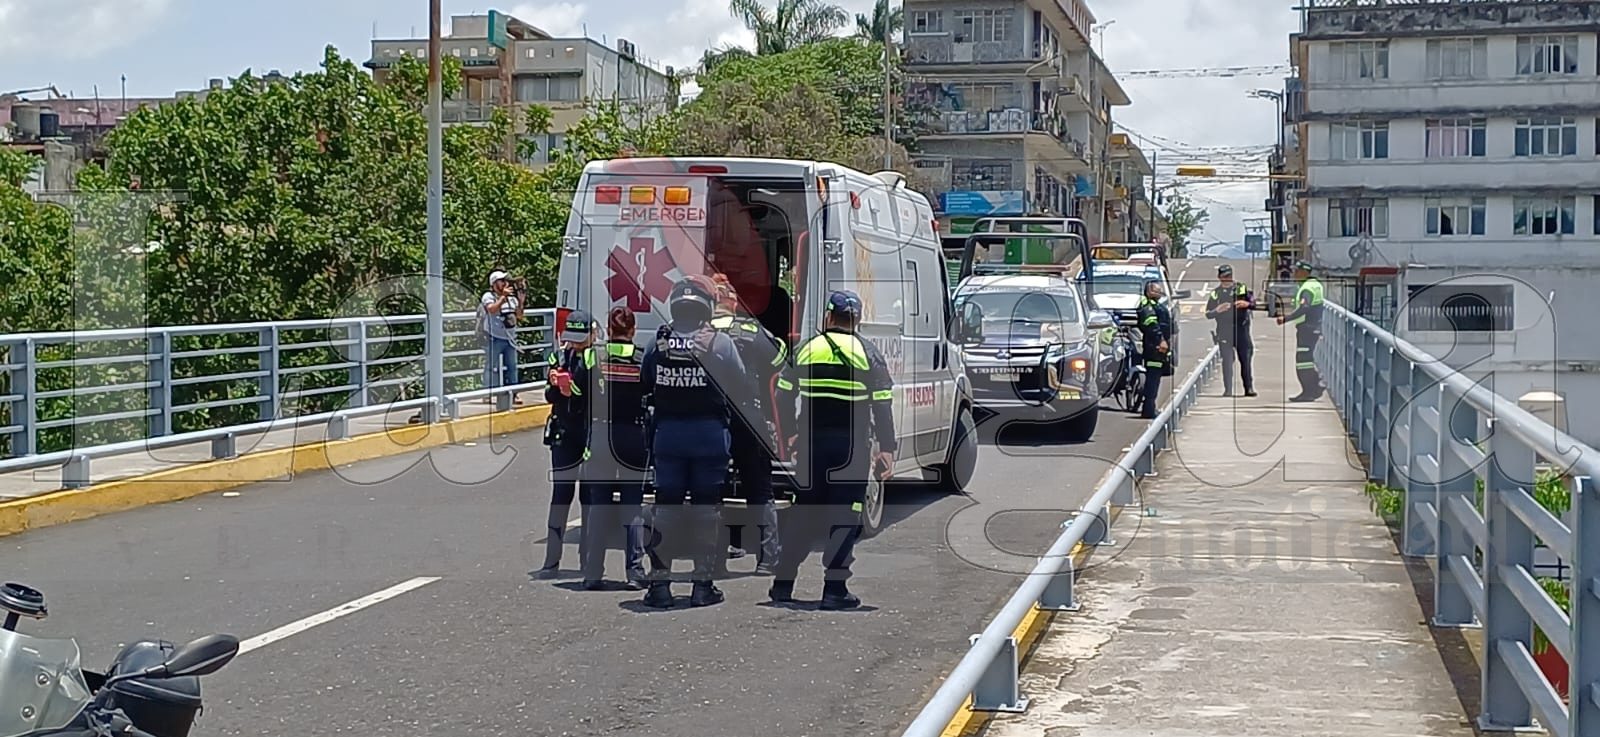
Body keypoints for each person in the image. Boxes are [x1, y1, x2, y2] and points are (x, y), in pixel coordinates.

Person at [768, 290, 896, 610]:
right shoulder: (870, 354)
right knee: (845, 516)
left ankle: (782, 585)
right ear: (858, 319)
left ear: (828, 317)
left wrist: (793, 434)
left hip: (811, 446)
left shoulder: (806, 350)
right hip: (851, 450)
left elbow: (783, 395)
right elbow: (883, 407)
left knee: (802, 514)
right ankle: (834, 589)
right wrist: (887, 449)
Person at [639, 277, 755, 608]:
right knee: (707, 512)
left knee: (665, 512)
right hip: (708, 437)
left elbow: (646, 381)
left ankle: (659, 587)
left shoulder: (657, 343)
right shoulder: (720, 344)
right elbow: (740, 385)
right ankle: (702, 586)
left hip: (669, 438)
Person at [708, 274, 787, 574]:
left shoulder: (700, 332)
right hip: (750, 417)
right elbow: (779, 358)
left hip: (714, 418)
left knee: (715, 489)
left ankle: (719, 556)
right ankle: (768, 558)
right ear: (731, 300)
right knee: (759, 488)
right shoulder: (751, 329)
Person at [578, 307, 651, 591]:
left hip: (600, 433)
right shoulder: (642, 358)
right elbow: (650, 391)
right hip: (632, 434)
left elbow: (578, 391)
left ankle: (593, 572)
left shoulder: (592, 355)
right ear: (632, 331)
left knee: (599, 505)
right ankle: (634, 572)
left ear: (608, 329)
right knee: (632, 505)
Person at [536, 310, 597, 578]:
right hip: (564, 432)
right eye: (572, 338)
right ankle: (551, 560)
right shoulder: (559, 356)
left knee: (588, 497)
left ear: (593, 335)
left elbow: (596, 395)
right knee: (561, 496)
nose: (576, 343)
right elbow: (549, 396)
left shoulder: (597, 358)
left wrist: (572, 386)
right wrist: (554, 383)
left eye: (581, 338)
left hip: (587, 431)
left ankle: (587, 561)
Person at [1276, 260, 1325, 402]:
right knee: (1308, 360)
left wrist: (1286, 318)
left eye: (1297, 271)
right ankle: (1316, 387)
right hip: (1314, 327)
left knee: (1302, 362)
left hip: (1307, 328)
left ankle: (1308, 392)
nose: (1294, 273)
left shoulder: (1307, 288)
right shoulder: (1316, 285)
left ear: (1304, 272)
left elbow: (1305, 307)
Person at [1205, 264, 1256, 397]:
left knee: (1245, 360)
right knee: (1227, 362)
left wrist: (1247, 304)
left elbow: (1253, 303)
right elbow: (1208, 313)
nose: (1227, 279)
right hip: (1224, 330)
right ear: (1219, 278)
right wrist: (1217, 310)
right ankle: (1228, 389)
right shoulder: (1216, 293)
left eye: (1229, 276)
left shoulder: (1241, 288)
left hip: (1241, 329)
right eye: (1224, 277)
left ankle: (1248, 388)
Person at [481, 270, 526, 405]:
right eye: (501, 281)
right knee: (490, 366)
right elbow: (491, 309)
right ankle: (487, 394)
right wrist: (502, 297)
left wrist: (521, 301)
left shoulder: (511, 298)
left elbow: (519, 316)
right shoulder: (489, 296)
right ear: (494, 284)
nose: (505, 283)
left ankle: (513, 394)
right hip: (494, 336)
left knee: (512, 367)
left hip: (510, 338)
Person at [1135, 280, 1172, 420]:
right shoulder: (1147, 306)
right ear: (1149, 292)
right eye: (1156, 290)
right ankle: (1148, 409)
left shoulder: (1155, 305)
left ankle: (1150, 407)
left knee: (1155, 378)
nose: (1159, 292)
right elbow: (1152, 325)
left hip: (1158, 346)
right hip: (1154, 347)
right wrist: (1161, 340)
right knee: (1153, 378)